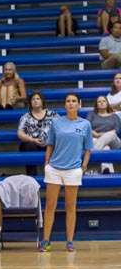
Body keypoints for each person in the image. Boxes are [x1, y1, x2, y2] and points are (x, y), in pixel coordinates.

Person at [41, 93, 92, 252]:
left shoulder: (85, 124)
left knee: (71, 207)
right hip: (54, 169)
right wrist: (47, 164)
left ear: (79, 104)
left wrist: (83, 166)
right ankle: (46, 241)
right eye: (68, 101)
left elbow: (88, 148)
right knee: (50, 206)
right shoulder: (56, 123)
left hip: (73, 170)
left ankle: (70, 241)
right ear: (65, 105)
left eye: (74, 101)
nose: (71, 104)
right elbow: (50, 145)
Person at [17, 92, 58, 176]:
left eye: (38, 99)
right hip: (32, 144)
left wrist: (51, 140)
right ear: (30, 102)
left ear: (42, 101)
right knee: (28, 145)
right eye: (33, 99)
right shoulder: (26, 116)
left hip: (49, 143)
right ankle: (32, 177)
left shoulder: (52, 114)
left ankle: (53, 175)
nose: (35, 101)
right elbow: (20, 133)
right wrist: (33, 140)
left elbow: (62, 128)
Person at [88, 96, 121, 174]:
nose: (102, 103)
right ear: (96, 104)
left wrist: (103, 135)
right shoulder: (92, 114)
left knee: (111, 134)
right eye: (99, 101)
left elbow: (116, 130)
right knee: (106, 148)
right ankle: (107, 170)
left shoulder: (114, 116)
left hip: (114, 141)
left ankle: (90, 160)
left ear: (107, 103)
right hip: (95, 138)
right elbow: (87, 127)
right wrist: (96, 134)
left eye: (104, 101)